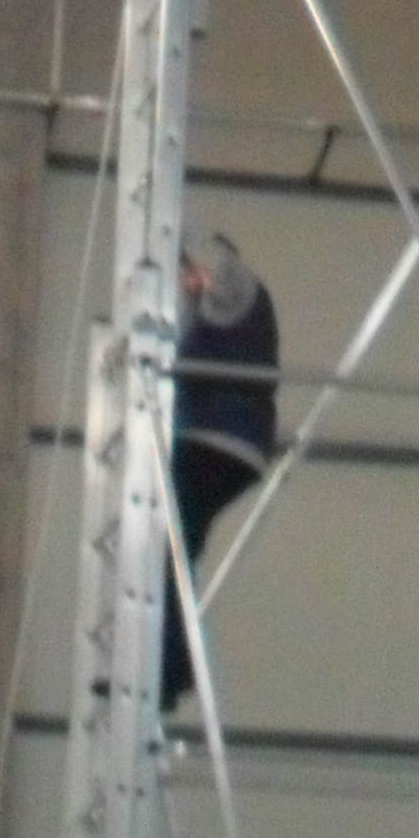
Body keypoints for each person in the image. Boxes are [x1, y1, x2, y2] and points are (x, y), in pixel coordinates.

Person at [161, 228, 279, 710]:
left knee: (169, 547)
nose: (188, 284)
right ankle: (174, 665)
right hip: (220, 445)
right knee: (176, 549)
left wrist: (191, 248)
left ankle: (173, 665)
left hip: (216, 442)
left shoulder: (235, 297)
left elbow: (227, 264)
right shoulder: (202, 316)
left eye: (191, 276)